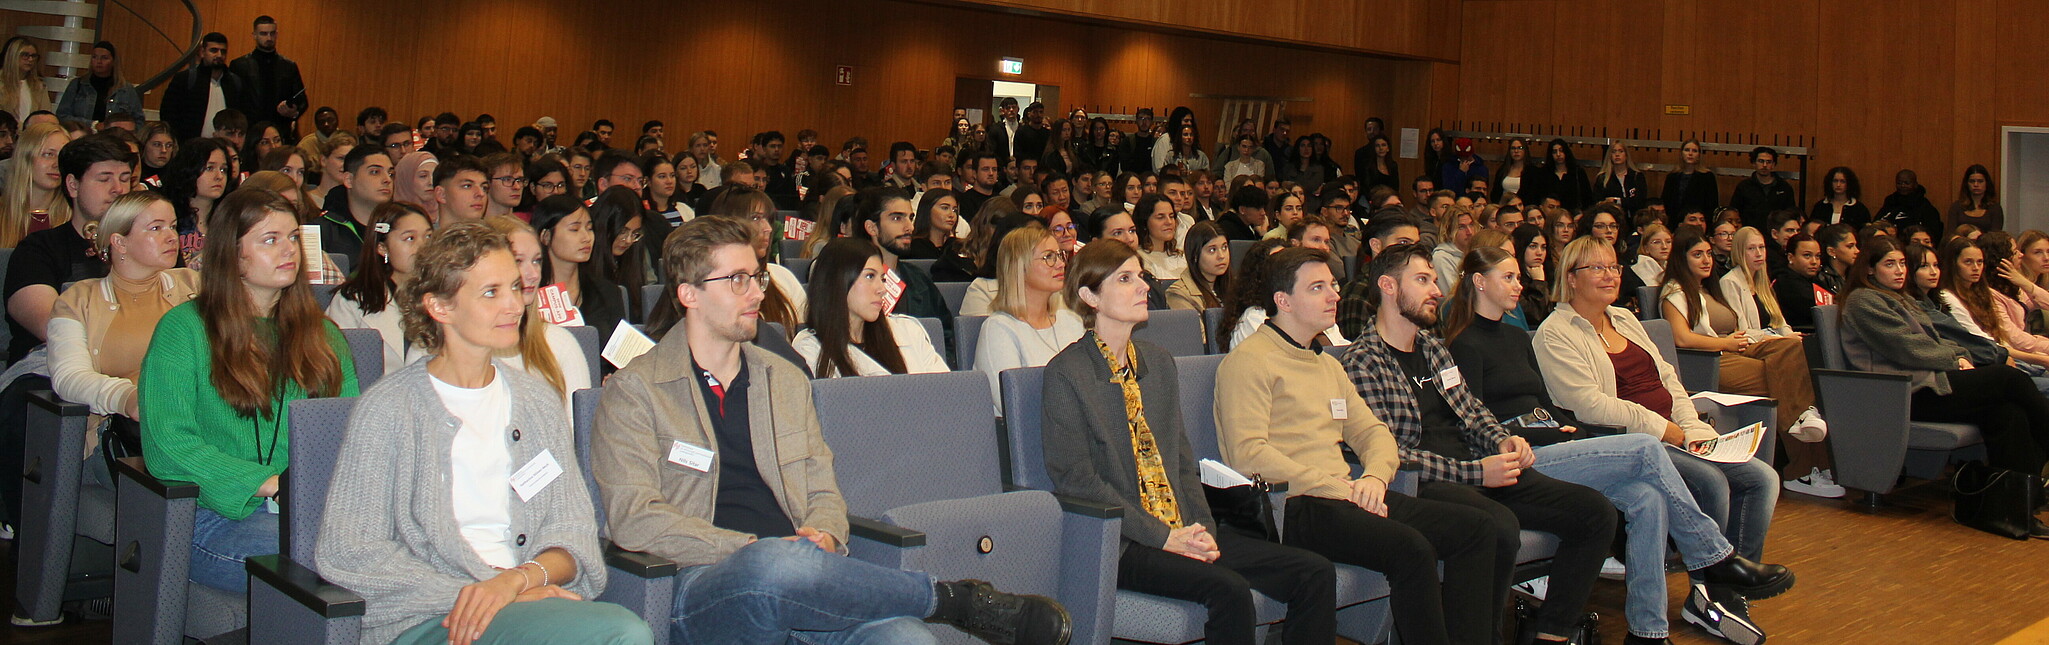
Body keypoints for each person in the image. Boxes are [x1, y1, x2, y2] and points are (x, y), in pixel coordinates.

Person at [590, 215, 1071, 644]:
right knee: (775, 566)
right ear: (689, 294)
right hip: (704, 584)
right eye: (737, 280)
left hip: (811, 574)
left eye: (756, 277)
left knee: (907, 639)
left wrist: (823, 535)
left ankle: (918, 602)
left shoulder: (782, 379)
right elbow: (633, 517)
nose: (758, 292)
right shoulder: (637, 391)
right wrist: (754, 551)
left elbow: (823, 485)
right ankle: (953, 600)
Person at [315, 221, 653, 645]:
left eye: (515, 287)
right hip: (430, 618)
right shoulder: (388, 409)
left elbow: (572, 530)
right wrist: (479, 593)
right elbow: (350, 551)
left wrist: (515, 582)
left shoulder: (535, 402)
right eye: (492, 292)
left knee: (618, 631)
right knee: (622, 634)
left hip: (523, 601)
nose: (514, 305)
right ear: (440, 307)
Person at [1440, 245, 1798, 644]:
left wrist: (1564, 426)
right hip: (1520, 456)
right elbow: (1472, 419)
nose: (1518, 284)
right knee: (1646, 447)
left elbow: (1544, 403)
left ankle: (1647, 632)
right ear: (1478, 282)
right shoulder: (1463, 344)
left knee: (1647, 498)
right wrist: (1532, 435)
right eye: (1508, 277)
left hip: (1557, 443)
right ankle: (1714, 557)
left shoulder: (1514, 337)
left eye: (1517, 276)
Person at [1045, 239, 1337, 645]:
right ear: (1089, 296)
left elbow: (1182, 462)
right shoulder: (1067, 373)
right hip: (1123, 541)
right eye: (1125, 279)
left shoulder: (1158, 363)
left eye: (1141, 276)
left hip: (1182, 524)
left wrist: (1203, 530)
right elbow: (1078, 481)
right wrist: (1164, 537)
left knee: (1314, 572)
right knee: (1229, 589)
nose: (1143, 286)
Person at [1214, 246, 1491, 645]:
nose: (1334, 295)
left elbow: (1374, 434)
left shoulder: (1326, 363)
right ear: (1283, 301)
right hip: (1291, 505)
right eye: (1318, 288)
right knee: (1411, 547)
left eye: (1333, 285)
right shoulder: (1248, 361)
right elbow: (1249, 455)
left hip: (1346, 495)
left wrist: (1375, 479)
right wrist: (1339, 489)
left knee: (1476, 528)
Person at [1342, 242, 1615, 643]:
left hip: (1478, 470)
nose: (1436, 289)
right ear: (1387, 286)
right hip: (1428, 483)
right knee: (1496, 526)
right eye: (1422, 280)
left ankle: (1551, 633)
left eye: (1434, 279)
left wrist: (1504, 440)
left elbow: (1472, 412)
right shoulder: (1362, 362)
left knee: (1596, 512)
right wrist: (1476, 472)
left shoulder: (1433, 349)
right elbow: (1391, 453)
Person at [1533, 237, 1793, 593]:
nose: (1610, 276)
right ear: (1571, 278)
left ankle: (1728, 595)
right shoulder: (1555, 333)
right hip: (1626, 441)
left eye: (1613, 267)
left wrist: (1692, 426)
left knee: (1762, 478)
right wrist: (1664, 429)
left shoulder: (1623, 317)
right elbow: (1589, 405)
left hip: (1675, 432)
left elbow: (1667, 377)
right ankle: (1709, 585)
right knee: (1711, 481)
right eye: (1596, 268)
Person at [139, 188, 357, 594]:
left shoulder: (323, 335)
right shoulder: (184, 330)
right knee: (326, 564)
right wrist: (271, 482)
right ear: (232, 253)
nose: (288, 250)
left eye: (293, 237)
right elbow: (167, 445)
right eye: (269, 240)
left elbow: (348, 434)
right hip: (215, 516)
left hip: (309, 511)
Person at [1839, 236, 2049, 536]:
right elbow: (1906, 348)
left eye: (1901, 263)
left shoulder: (1902, 297)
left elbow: (1943, 339)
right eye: (1889, 264)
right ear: (1870, 270)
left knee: (2007, 412)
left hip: (1932, 383)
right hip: (1903, 393)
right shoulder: (1864, 301)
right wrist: (1954, 360)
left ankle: (2016, 510)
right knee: (2010, 378)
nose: (1899, 270)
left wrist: (1960, 356)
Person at [478, 215, 592, 410]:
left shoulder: (561, 344)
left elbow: (578, 433)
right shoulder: (441, 350)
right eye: (518, 261)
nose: (532, 274)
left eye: (537, 261)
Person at [794, 238, 949, 377]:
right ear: (838, 281)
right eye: (869, 276)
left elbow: (943, 391)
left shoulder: (908, 330)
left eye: (882, 279)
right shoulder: (811, 348)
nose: (882, 289)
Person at [973, 224, 1082, 402]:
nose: (1061, 264)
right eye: (1049, 257)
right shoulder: (999, 329)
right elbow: (1013, 404)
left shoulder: (1072, 320)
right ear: (1019, 266)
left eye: (1060, 255)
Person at [327, 201, 432, 375]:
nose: (423, 247)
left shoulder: (449, 295)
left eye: (428, 237)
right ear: (382, 248)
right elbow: (338, 369)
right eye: (410, 238)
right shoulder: (353, 300)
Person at [706, 187, 805, 335]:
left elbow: (805, 334)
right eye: (755, 218)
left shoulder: (782, 276)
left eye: (768, 219)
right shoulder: (711, 283)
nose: (768, 228)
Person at [530, 195, 625, 340]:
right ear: (546, 236)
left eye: (589, 228)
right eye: (574, 229)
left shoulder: (607, 292)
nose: (586, 237)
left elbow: (620, 354)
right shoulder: (529, 295)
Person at [158, 33, 246, 141]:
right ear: (202, 52)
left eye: (223, 51)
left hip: (225, 148)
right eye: (213, 50)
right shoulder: (185, 79)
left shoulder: (235, 83)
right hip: (191, 147)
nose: (219, 55)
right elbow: (168, 114)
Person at [315, 143, 391, 260]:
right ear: (349, 180)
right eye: (375, 172)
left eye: (391, 173)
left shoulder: (401, 227)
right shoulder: (321, 232)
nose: (387, 179)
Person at [0, 122, 71, 247]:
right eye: (48, 154)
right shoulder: (3, 214)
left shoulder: (75, 220)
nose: (57, 164)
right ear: (25, 158)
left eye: (62, 156)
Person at [54, 41, 141, 124]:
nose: (99, 62)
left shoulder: (126, 89)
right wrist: (92, 125)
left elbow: (138, 120)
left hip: (114, 137)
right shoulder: (78, 85)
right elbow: (62, 115)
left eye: (104, 58)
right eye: (94, 57)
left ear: (114, 61)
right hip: (82, 136)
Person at [1771, 233, 1833, 332]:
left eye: (1817, 256)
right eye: (1807, 255)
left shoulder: (1814, 280)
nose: (1814, 261)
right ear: (1791, 257)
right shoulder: (1786, 282)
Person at [1165, 221, 1230, 312]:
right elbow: (1192, 326)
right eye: (1212, 250)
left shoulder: (1235, 287)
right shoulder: (1180, 294)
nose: (1221, 256)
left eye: (1224, 247)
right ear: (1195, 255)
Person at [1727, 147, 1795, 231]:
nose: (1765, 165)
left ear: (1773, 165)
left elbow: (1790, 213)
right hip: (1750, 232)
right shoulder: (1744, 186)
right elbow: (1734, 212)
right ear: (1754, 163)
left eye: (1769, 162)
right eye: (1761, 161)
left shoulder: (1784, 187)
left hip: (1776, 234)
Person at [1527, 139, 1591, 212]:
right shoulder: (1543, 174)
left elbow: (1587, 198)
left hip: (1573, 216)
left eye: (1561, 150)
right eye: (1554, 152)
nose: (1558, 154)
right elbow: (1536, 197)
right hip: (1549, 215)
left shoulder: (1578, 173)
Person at [1873, 169, 1944, 234]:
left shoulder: (1925, 207)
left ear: (1915, 184)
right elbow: (1876, 223)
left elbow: (1932, 233)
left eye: (1907, 183)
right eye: (1899, 183)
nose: (1902, 186)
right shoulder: (1890, 201)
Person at [1660, 140, 1718, 217]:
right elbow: (1665, 202)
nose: (1690, 154)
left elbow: (1712, 205)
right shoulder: (1672, 176)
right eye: (1687, 150)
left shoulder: (1707, 177)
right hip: (1673, 222)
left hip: (1697, 222)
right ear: (1681, 154)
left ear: (1699, 155)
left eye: (1694, 151)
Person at [1133, 194, 1184, 280]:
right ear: (1145, 222)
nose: (1169, 222)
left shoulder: (1180, 256)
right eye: (1160, 217)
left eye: (1171, 216)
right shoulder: (1139, 259)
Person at [0, 38, 50, 120]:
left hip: (33, 131)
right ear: (13, 56)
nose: (30, 59)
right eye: (25, 55)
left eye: (33, 56)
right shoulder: (2, 82)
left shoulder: (39, 86)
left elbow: (46, 115)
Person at [1947, 164, 2003, 236]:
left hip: (1986, 246)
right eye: (1972, 181)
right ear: (1967, 184)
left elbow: (1996, 236)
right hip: (1961, 245)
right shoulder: (1956, 207)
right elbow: (1951, 235)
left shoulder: (1995, 208)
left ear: (1987, 183)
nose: (1976, 184)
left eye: (1980, 181)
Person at [1594, 141, 1647, 214]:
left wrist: (1616, 201)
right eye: (1614, 152)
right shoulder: (1603, 178)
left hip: (1634, 220)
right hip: (1612, 218)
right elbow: (1597, 202)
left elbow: (1639, 202)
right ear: (1610, 156)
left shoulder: (1637, 176)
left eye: (1621, 151)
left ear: (1626, 155)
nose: (1617, 155)